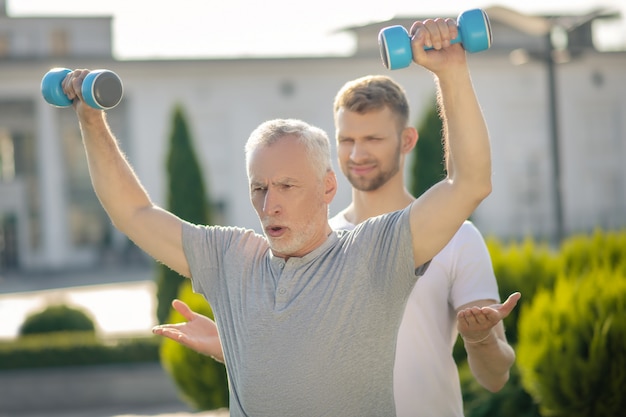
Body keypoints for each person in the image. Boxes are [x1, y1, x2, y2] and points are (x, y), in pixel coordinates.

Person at [65, 17, 494, 417]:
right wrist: (91, 119)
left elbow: (468, 183)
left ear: (328, 187)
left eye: (287, 186)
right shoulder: (230, 259)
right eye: (259, 188)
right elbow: (133, 212)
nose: (270, 204)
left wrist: (450, 71)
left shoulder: (374, 252)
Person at [155, 74, 519, 416]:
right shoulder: (307, 244)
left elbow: (495, 376)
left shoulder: (457, 237)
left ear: (407, 140)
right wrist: (233, 345)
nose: (357, 154)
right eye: (347, 140)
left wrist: (480, 338)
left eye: (373, 139)